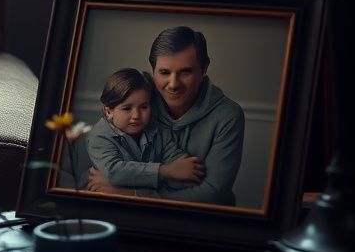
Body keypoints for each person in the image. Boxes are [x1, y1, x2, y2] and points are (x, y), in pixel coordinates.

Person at [87, 26, 245, 206]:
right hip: (138, 213)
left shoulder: (228, 115)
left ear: (203, 69)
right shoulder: (141, 99)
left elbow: (211, 194)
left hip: (202, 219)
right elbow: (108, 161)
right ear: (153, 70)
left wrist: (131, 194)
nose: (173, 84)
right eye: (164, 72)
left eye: (185, 72)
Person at [86, 68, 205, 190]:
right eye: (127, 108)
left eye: (144, 107)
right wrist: (165, 171)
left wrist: (123, 185)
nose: (136, 115)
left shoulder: (158, 131)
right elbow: (114, 172)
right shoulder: (99, 136)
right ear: (109, 111)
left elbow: (185, 173)